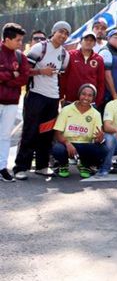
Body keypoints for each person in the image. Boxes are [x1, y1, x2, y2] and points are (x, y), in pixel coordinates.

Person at [13, 21, 71, 180]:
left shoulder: (65, 55)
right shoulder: (39, 48)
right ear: (53, 32)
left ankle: (42, 166)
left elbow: (61, 75)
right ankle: (20, 167)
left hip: (52, 98)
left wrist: (60, 97)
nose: (63, 35)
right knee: (30, 131)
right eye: (61, 31)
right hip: (36, 96)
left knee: (46, 133)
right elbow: (24, 72)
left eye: (66, 33)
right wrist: (40, 71)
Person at [51, 84, 107, 179]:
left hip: (84, 144)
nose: (86, 97)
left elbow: (97, 137)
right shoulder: (66, 110)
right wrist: (67, 143)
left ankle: (85, 165)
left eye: (90, 95)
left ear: (93, 98)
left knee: (102, 149)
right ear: (79, 94)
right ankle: (63, 165)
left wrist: (100, 139)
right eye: (83, 94)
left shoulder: (96, 114)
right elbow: (57, 133)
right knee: (57, 148)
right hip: (67, 143)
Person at [0, 23, 30, 182]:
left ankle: (2, 167)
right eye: (18, 40)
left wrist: (6, 78)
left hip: (12, 102)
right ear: (7, 39)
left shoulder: (20, 56)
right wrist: (12, 75)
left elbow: (24, 78)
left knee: (4, 136)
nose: (20, 43)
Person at [60, 31, 105, 106]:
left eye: (91, 40)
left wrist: (98, 100)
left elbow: (101, 81)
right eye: (86, 40)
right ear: (80, 42)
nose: (88, 42)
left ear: (94, 44)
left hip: (90, 101)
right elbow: (64, 76)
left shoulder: (99, 59)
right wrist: (61, 96)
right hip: (71, 99)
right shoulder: (70, 55)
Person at [99, 29, 117, 106]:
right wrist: (114, 95)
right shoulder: (105, 51)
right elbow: (106, 76)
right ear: (108, 38)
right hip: (108, 97)